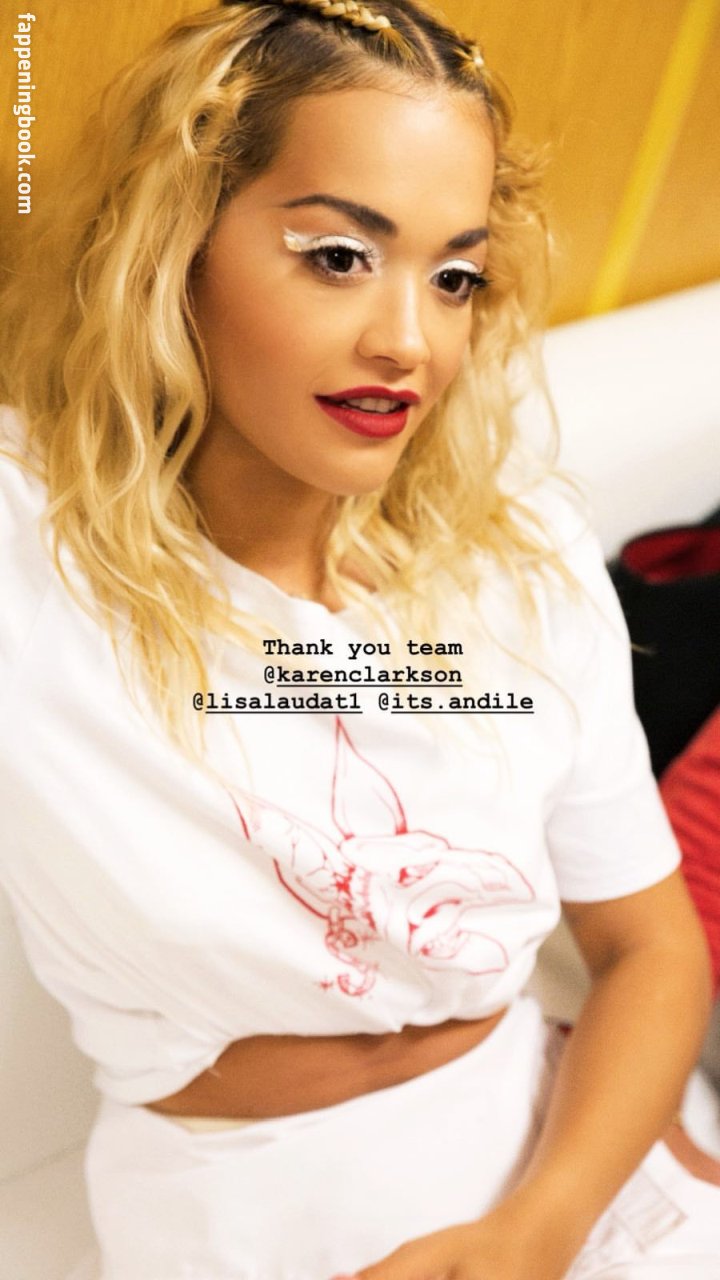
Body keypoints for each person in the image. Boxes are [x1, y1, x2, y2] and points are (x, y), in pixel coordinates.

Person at [1, 1, 719, 1277]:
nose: (408, 340)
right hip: (245, 1193)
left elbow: (649, 948)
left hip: (552, 1138)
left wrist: (541, 1222)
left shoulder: (519, 561)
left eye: (454, 276)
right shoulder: (34, 557)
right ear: (179, 241)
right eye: (339, 255)